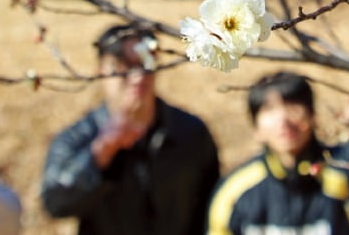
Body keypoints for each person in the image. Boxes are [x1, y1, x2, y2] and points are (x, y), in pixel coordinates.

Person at [41, 24, 220, 234]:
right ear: (100, 70)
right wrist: (98, 156)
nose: (138, 76)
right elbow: (56, 204)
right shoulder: (78, 138)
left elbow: (213, 204)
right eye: (124, 66)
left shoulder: (189, 133)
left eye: (146, 63)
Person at [208, 72, 349, 235]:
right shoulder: (236, 190)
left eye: (292, 105)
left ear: (313, 116)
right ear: (256, 129)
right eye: (268, 109)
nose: (283, 118)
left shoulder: (343, 171)